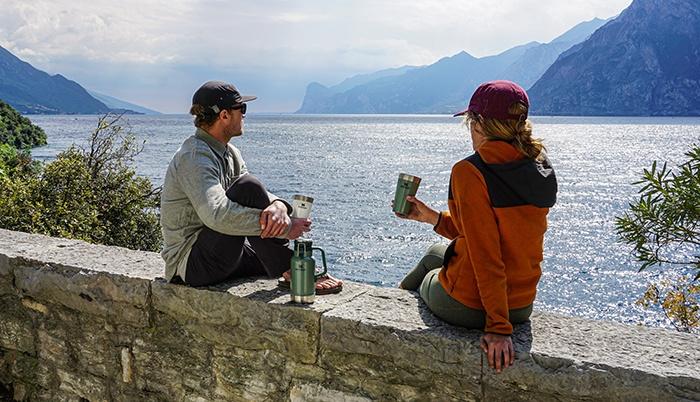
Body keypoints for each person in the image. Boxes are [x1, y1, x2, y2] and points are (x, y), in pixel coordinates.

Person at [395, 80, 557, 373]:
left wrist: (498, 327)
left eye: (470, 122)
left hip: (471, 305)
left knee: (430, 272)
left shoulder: (470, 171)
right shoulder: (538, 164)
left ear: (479, 124)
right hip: (521, 304)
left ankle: (391, 307)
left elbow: (486, 254)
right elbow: (500, 234)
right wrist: (432, 217)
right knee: (435, 250)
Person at [160, 80, 342, 292]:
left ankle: (288, 267)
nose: (245, 115)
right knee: (248, 186)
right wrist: (286, 228)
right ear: (224, 115)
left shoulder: (230, 153)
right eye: (242, 109)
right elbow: (217, 214)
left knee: (265, 258)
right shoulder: (194, 157)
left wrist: (280, 206)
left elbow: (259, 196)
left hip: (223, 253)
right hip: (192, 264)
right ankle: (292, 270)